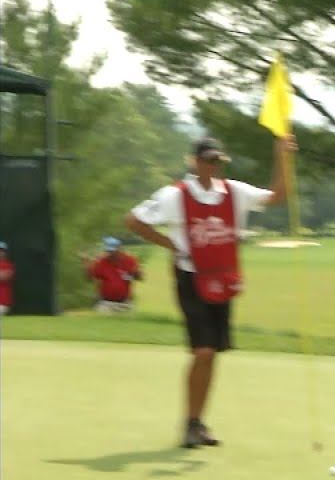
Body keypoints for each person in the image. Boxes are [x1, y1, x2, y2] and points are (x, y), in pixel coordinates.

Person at [124, 135, 295, 448]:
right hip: (191, 278)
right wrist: (170, 244)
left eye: (217, 160)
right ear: (194, 162)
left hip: (223, 279)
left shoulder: (234, 192)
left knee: (212, 352)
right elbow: (133, 220)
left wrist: (281, 157)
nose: (212, 166)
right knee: (202, 350)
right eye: (207, 160)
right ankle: (190, 423)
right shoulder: (174, 195)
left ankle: (198, 422)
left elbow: (277, 196)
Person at [86, 236, 143, 313]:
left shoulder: (130, 260)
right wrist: (87, 267)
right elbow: (90, 278)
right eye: (108, 251)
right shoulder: (101, 261)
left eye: (113, 251)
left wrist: (137, 273)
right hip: (106, 303)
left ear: (120, 248)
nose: (111, 254)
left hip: (125, 303)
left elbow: (139, 278)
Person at [0, 241, 13, 316]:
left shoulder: (8, 265)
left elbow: (4, 277)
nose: (0, 253)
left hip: (2, 304)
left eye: (2, 251)